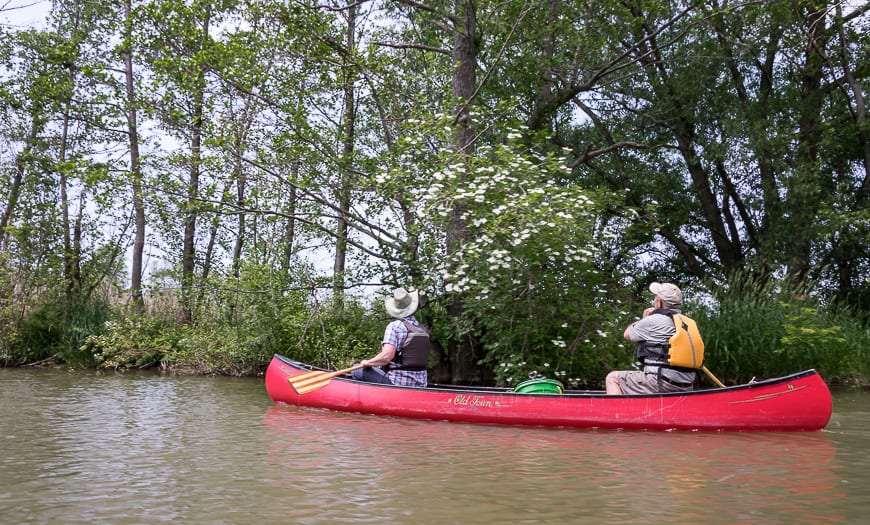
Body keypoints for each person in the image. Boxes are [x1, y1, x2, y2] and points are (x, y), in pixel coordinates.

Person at [605, 282, 700, 395]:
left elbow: (627, 334)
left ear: (659, 303)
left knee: (612, 378)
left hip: (661, 383)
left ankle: (617, 412)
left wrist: (643, 319)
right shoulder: (689, 323)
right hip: (686, 385)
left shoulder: (653, 320)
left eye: (655, 297)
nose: (654, 300)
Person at [352, 287, 430, 387]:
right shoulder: (422, 329)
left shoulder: (395, 326)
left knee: (357, 370)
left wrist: (368, 362)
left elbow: (386, 357)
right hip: (420, 384)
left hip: (397, 383)